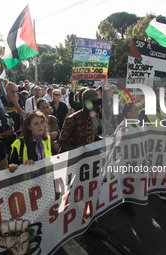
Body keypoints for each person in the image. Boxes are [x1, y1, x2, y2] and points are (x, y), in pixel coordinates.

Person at [60, 89, 106, 236]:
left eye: (98, 102)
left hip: (91, 163)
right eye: (94, 102)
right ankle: (68, 219)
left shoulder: (95, 116)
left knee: (90, 193)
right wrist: (77, 149)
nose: (97, 106)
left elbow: (94, 135)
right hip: (74, 164)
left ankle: (91, 223)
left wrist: (104, 140)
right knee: (72, 193)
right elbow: (62, 142)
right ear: (85, 102)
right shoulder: (71, 120)